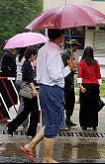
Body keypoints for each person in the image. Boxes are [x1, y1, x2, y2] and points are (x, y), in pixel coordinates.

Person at [20, 29, 76, 163]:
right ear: (60, 36)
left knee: (51, 121)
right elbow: (55, 75)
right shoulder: (53, 52)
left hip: (45, 88)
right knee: (53, 123)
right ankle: (47, 157)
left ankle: (31, 146)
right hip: (52, 89)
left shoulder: (43, 50)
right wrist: (69, 68)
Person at [7, 47, 39, 138]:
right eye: (35, 56)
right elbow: (29, 79)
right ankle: (31, 132)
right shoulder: (28, 64)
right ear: (32, 55)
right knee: (34, 111)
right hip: (28, 90)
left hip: (26, 89)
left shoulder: (26, 63)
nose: (35, 58)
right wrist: (33, 89)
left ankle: (12, 126)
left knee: (26, 111)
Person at [78, 46, 102, 130]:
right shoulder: (96, 62)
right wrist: (99, 86)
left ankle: (84, 124)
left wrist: (80, 86)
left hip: (85, 86)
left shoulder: (81, 62)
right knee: (93, 106)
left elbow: (80, 75)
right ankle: (94, 124)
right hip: (94, 86)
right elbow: (99, 75)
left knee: (84, 106)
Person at [61, 38, 80, 127]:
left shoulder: (71, 55)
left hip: (70, 79)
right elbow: (65, 69)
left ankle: (68, 118)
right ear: (73, 46)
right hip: (66, 81)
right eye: (76, 46)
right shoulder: (65, 55)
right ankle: (64, 119)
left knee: (71, 101)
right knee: (67, 100)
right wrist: (70, 83)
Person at [0, 47, 17, 122]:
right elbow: (12, 67)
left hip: (8, 80)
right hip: (7, 81)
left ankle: (5, 114)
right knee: (6, 98)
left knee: (8, 98)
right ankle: (4, 115)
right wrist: (9, 69)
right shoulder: (8, 55)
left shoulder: (9, 55)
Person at [14, 47, 30, 129]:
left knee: (23, 102)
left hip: (17, 80)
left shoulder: (17, 58)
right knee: (24, 103)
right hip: (23, 82)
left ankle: (25, 122)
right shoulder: (25, 60)